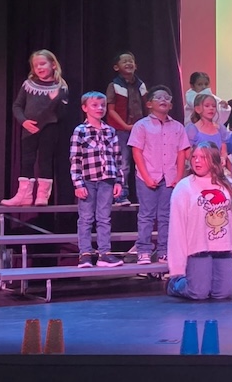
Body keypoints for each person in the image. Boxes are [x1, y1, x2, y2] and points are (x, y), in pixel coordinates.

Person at [166, 142, 232, 300]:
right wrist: (177, 269)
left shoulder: (229, 186)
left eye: (203, 157)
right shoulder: (184, 187)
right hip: (197, 250)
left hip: (224, 248)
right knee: (198, 293)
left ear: (213, 160)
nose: (197, 161)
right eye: (194, 157)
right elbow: (176, 230)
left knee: (224, 293)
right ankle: (174, 285)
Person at [129, 85, 190, 265]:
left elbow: (181, 153)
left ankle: (164, 250)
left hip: (169, 178)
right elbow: (137, 152)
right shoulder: (141, 126)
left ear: (171, 105)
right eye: (159, 97)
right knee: (146, 215)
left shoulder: (178, 127)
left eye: (167, 97)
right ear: (149, 104)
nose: (163, 100)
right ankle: (143, 250)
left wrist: (178, 177)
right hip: (147, 176)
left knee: (166, 216)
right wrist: (146, 177)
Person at [4, 49, 69, 206]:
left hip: (49, 129)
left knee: (45, 161)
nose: (39, 67)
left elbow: (61, 114)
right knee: (27, 161)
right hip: (29, 128)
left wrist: (55, 100)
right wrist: (24, 122)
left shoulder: (61, 87)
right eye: (35, 65)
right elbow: (17, 106)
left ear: (53, 65)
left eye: (42, 64)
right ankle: (24, 195)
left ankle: (42, 196)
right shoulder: (28, 85)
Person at [70, 91, 124, 268]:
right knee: (86, 218)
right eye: (94, 105)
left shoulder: (110, 131)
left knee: (104, 218)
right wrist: (78, 183)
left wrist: (119, 181)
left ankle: (104, 254)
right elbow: (75, 159)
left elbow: (117, 158)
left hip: (107, 180)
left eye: (102, 105)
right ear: (84, 108)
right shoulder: (80, 131)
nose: (100, 108)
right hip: (87, 180)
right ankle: (85, 254)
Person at [105, 50, 147, 206]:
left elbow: (147, 106)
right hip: (122, 130)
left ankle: (144, 195)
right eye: (125, 61)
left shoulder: (141, 85)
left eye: (131, 61)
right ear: (116, 67)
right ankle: (121, 194)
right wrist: (125, 126)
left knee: (143, 163)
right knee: (123, 163)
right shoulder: (114, 86)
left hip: (140, 130)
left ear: (136, 65)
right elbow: (111, 110)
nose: (129, 63)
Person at [185, 93, 231, 169]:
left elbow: (223, 150)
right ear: (197, 109)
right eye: (207, 106)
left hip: (217, 169)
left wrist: (223, 158)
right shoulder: (192, 129)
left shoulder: (220, 128)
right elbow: (188, 154)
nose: (211, 108)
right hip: (199, 168)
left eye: (214, 106)